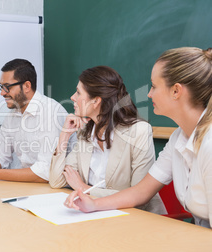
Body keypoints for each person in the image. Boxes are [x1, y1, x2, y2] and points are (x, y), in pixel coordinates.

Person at [65, 47, 212, 228]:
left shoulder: (209, 144)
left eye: (154, 86)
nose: (149, 94)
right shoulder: (178, 138)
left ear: (176, 91)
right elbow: (141, 192)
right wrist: (92, 204)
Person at [49, 66, 166, 214]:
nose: (72, 97)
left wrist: (85, 189)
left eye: (78, 92)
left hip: (137, 219)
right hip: (95, 215)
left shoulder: (139, 132)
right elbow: (56, 181)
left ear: (96, 101)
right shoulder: (85, 132)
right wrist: (64, 135)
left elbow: (139, 197)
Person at [0, 58, 70, 182]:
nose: (2, 93)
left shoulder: (51, 112)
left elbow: (45, 171)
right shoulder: (13, 114)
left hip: (51, 188)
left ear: (27, 86)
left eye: (7, 87)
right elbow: (0, 155)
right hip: (24, 185)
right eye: (1, 87)